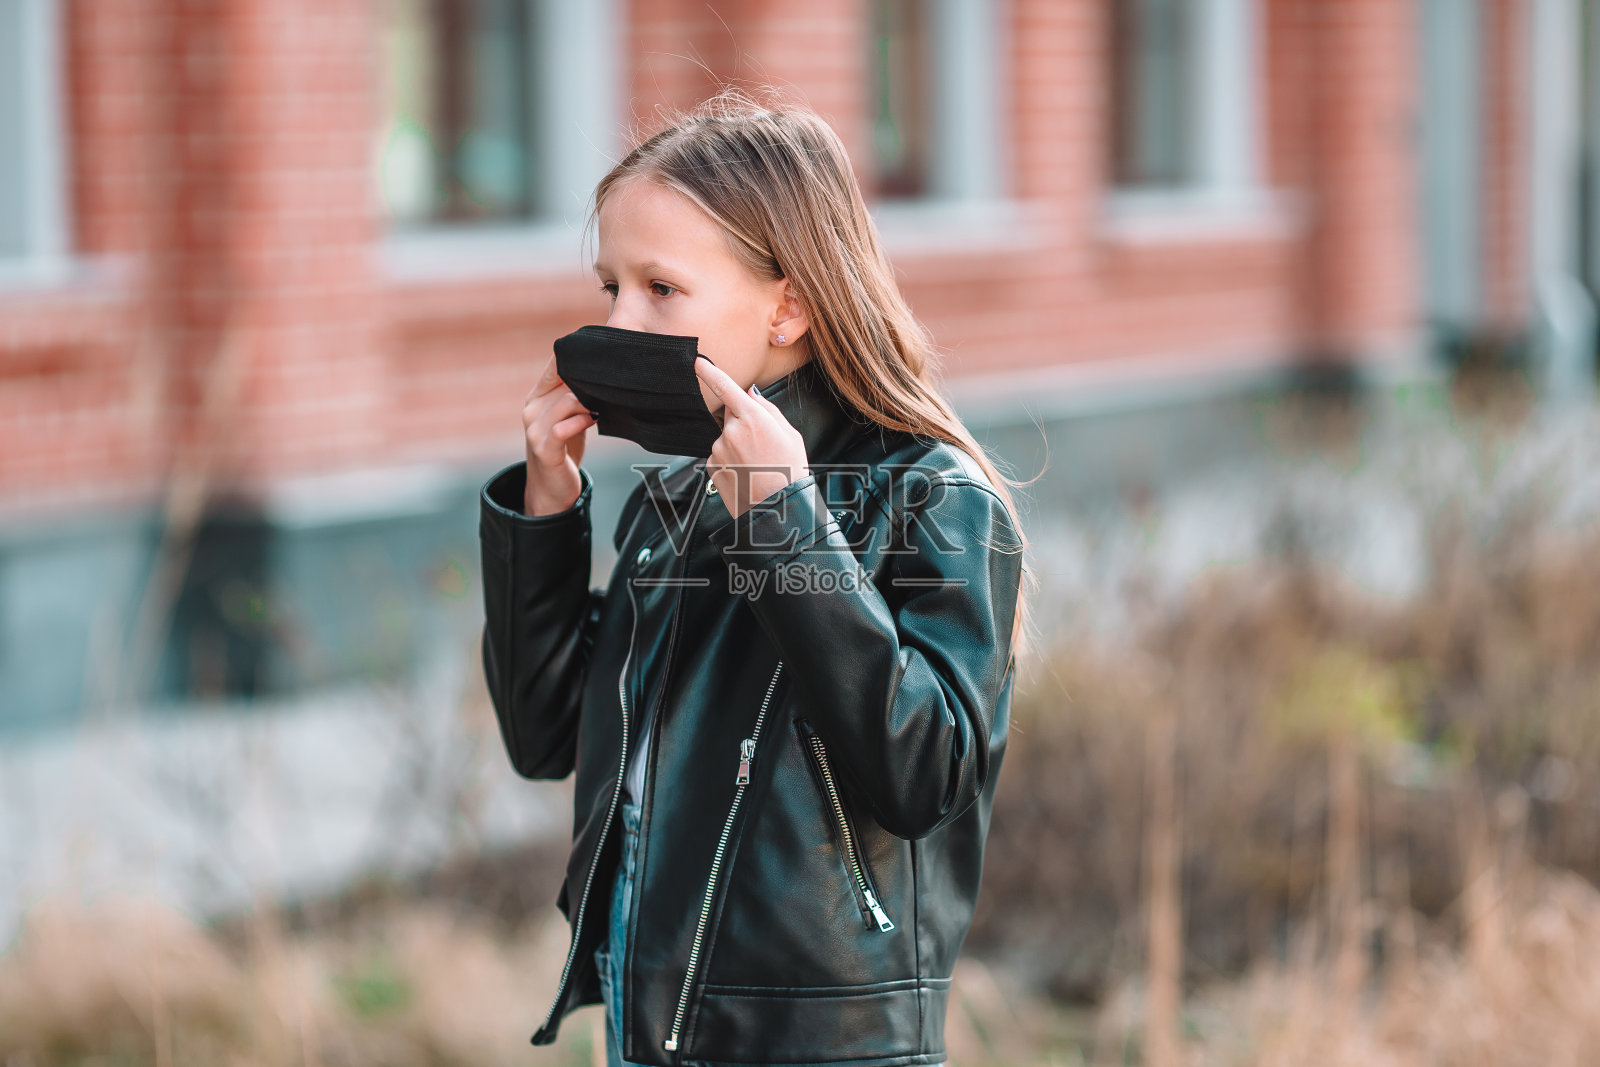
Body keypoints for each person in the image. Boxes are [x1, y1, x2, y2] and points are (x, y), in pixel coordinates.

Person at [477, 86, 1035, 1067]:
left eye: (660, 288)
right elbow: (545, 735)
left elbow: (923, 775)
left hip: (821, 1042)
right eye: (609, 286)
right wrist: (547, 512)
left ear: (787, 304)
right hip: (648, 1029)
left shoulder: (932, 498)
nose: (618, 320)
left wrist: (786, 529)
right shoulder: (682, 507)